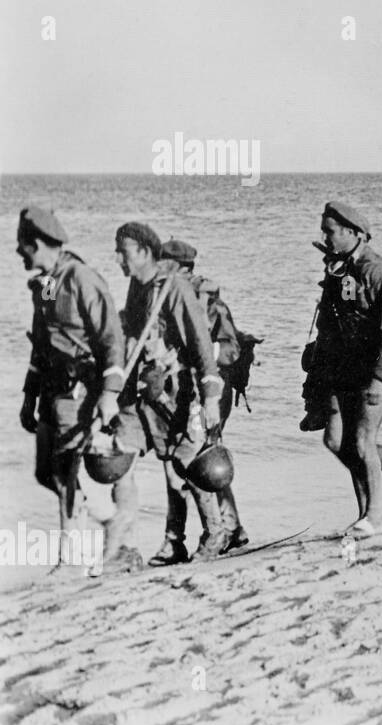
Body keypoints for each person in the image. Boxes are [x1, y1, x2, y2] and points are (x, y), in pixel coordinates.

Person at [17, 208, 141, 572]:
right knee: (46, 471)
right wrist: (28, 396)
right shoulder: (48, 283)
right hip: (51, 391)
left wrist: (109, 393)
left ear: (37, 244)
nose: (18, 254)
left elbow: (111, 340)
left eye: (23, 247)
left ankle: (69, 560)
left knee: (65, 470)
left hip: (79, 390)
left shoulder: (81, 279)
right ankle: (108, 521)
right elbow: (41, 344)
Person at [114, 222, 226, 563]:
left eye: (124, 251)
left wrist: (210, 398)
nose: (118, 258)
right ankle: (126, 547)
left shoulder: (175, 287)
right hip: (145, 392)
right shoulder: (138, 285)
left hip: (179, 392)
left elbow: (200, 341)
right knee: (121, 454)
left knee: (183, 464)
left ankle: (214, 533)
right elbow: (133, 332)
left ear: (145, 253)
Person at [313, 202, 382, 535]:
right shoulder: (336, 268)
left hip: (373, 369)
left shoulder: (375, 269)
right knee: (336, 441)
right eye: (324, 231)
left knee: (363, 440)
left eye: (330, 232)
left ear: (352, 233)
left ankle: (373, 517)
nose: (325, 237)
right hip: (342, 368)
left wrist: (380, 378)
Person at [160, 239, 249, 549]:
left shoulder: (208, 302)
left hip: (209, 391)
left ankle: (214, 533)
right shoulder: (166, 299)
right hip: (182, 392)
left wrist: (197, 356)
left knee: (195, 460)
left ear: (177, 267)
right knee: (198, 459)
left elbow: (231, 350)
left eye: (163, 262)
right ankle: (232, 528)